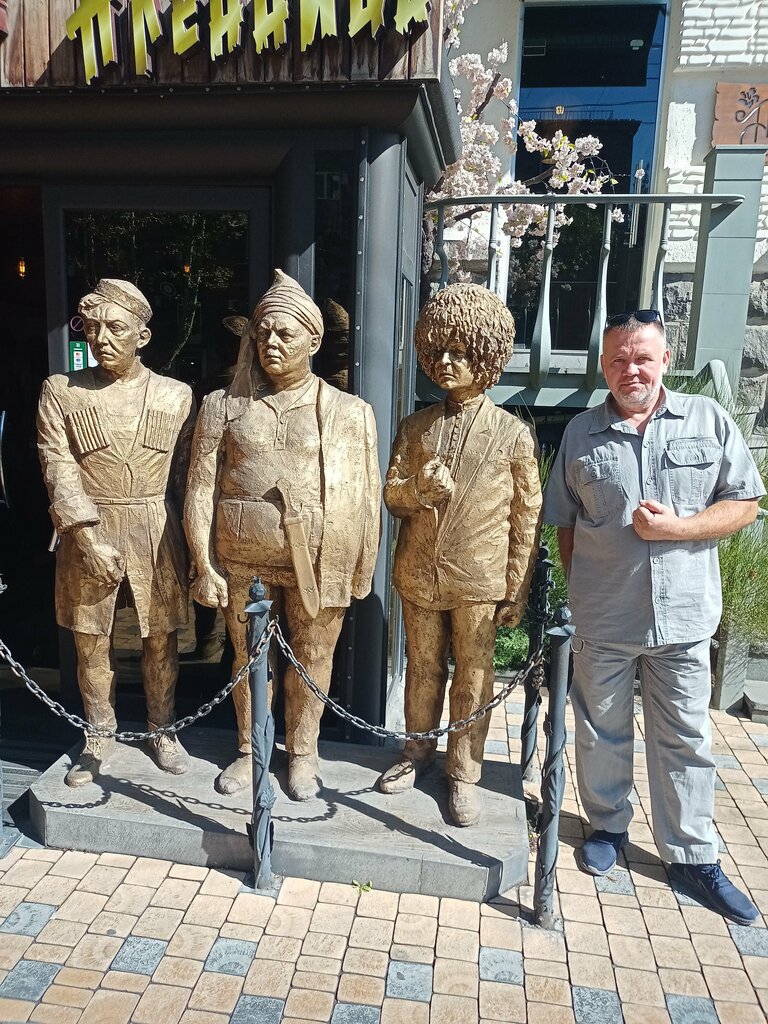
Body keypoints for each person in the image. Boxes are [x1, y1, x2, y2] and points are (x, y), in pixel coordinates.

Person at [543, 309, 766, 924]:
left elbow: (744, 504)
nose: (629, 369)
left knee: (686, 740)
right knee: (600, 731)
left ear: (666, 359)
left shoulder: (708, 419)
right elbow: (565, 523)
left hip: (685, 619)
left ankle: (692, 856)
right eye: (617, 358)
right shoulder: (582, 434)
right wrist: (585, 587)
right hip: (605, 617)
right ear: (603, 365)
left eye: (641, 356)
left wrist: (678, 530)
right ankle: (608, 828)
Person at [184, 270, 381, 801]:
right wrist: (204, 564)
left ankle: (304, 754)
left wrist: (360, 567)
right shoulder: (221, 406)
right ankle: (250, 749)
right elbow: (200, 489)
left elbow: (365, 495)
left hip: (318, 561)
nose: (269, 343)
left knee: (313, 660)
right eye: (261, 333)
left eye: (284, 334)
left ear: (314, 341)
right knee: (249, 659)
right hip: (242, 560)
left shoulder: (348, 412)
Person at [378, 283, 542, 826]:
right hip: (419, 574)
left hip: (478, 577)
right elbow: (391, 495)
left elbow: (526, 519)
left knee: (473, 671)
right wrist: (416, 490)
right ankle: (416, 751)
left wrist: (516, 587)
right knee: (423, 666)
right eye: (439, 351)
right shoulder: (416, 426)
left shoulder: (513, 435)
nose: (447, 362)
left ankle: (464, 770)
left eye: (461, 350)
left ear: (487, 355)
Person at [37, 279, 195, 787]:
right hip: (90, 527)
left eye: (117, 328)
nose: (102, 338)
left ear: (142, 336)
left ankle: (162, 728)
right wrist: (84, 539)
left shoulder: (177, 396)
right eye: (93, 327)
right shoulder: (60, 391)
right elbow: (57, 467)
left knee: (161, 640)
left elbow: (189, 476)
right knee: (91, 642)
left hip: (157, 526)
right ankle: (99, 731)